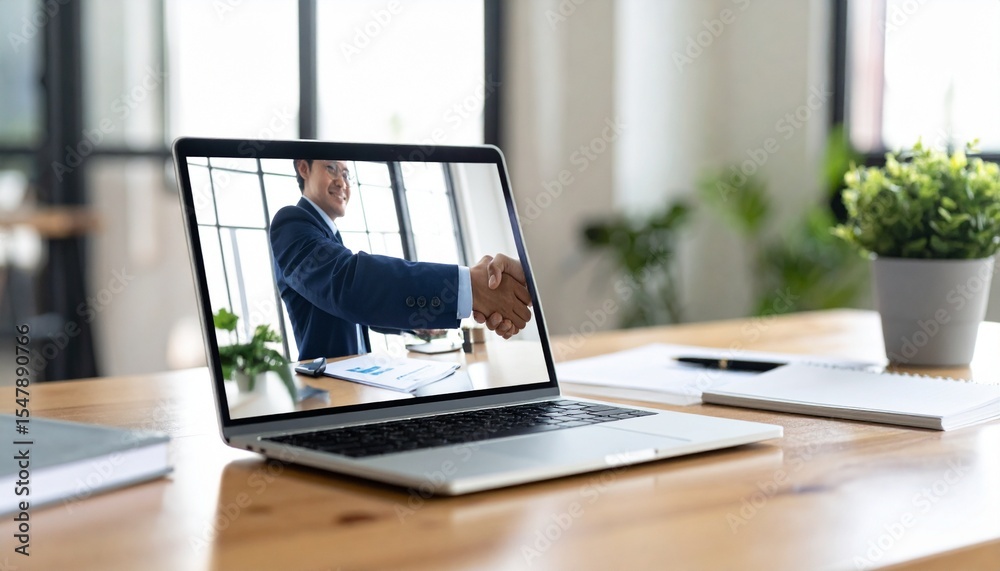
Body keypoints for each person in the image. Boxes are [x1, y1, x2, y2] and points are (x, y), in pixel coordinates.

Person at [270, 159, 531, 360]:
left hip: (355, 382)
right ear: (303, 168)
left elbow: (359, 307)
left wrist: (416, 324)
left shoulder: (329, 236)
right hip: (327, 393)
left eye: (347, 174)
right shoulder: (291, 223)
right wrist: (469, 286)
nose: (342, 182)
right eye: (331, 168)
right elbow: (348, 285)